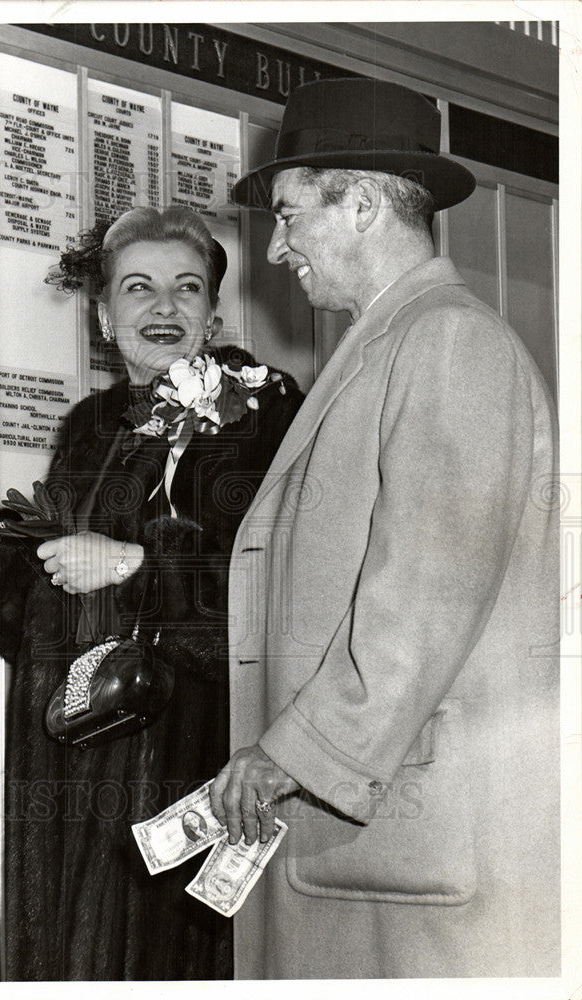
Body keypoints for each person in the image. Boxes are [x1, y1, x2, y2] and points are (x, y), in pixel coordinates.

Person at [0, 205, 303, 981]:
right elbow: (42, 616)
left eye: (187, 288)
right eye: (138, 288)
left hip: (188, 753)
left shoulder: (260, 409)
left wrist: (133, 568)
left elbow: (282, 585)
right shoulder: (90, 424)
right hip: (67, 760)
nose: (164, 307)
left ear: (213, 313)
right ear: (105, 314)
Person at [209, 78, 560, 979]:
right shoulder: (389, 341)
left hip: (411, 846)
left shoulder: (446, 343)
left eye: (289, 215)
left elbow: (419, 600)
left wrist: (289, 753)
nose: (276, 247)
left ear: (362, 204)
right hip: (374, 832)